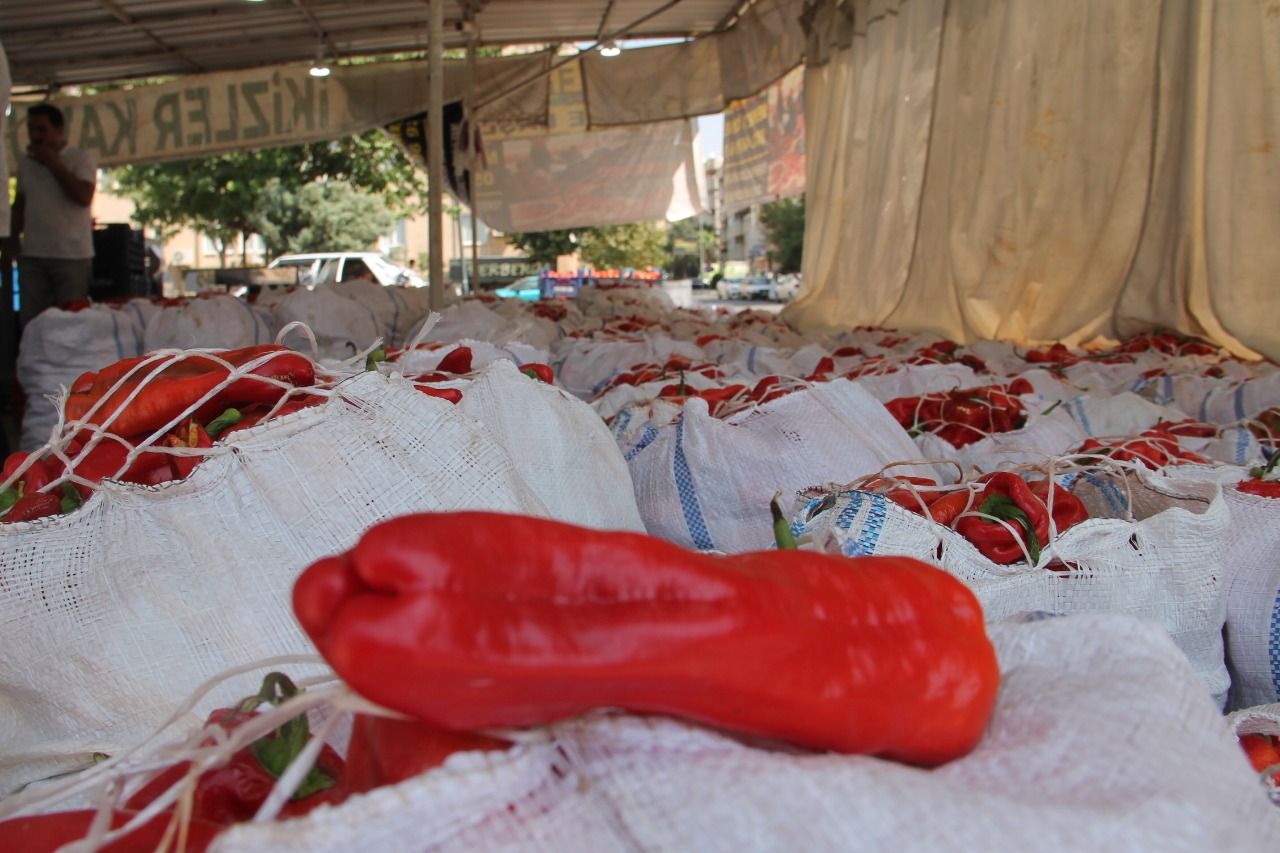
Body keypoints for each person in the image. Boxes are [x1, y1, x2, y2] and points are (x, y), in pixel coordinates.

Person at [7, 103, 98, 327]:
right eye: (31, 129)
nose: (35, 136)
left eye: (42, 129)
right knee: (32, 323)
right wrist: (10, 243)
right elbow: (20, 204)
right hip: (33, 255)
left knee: (70, 322)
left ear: (59, 130)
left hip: (71, 257)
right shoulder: (26, 164)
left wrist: (53, 164)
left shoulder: (80, 159)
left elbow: (83, 196)